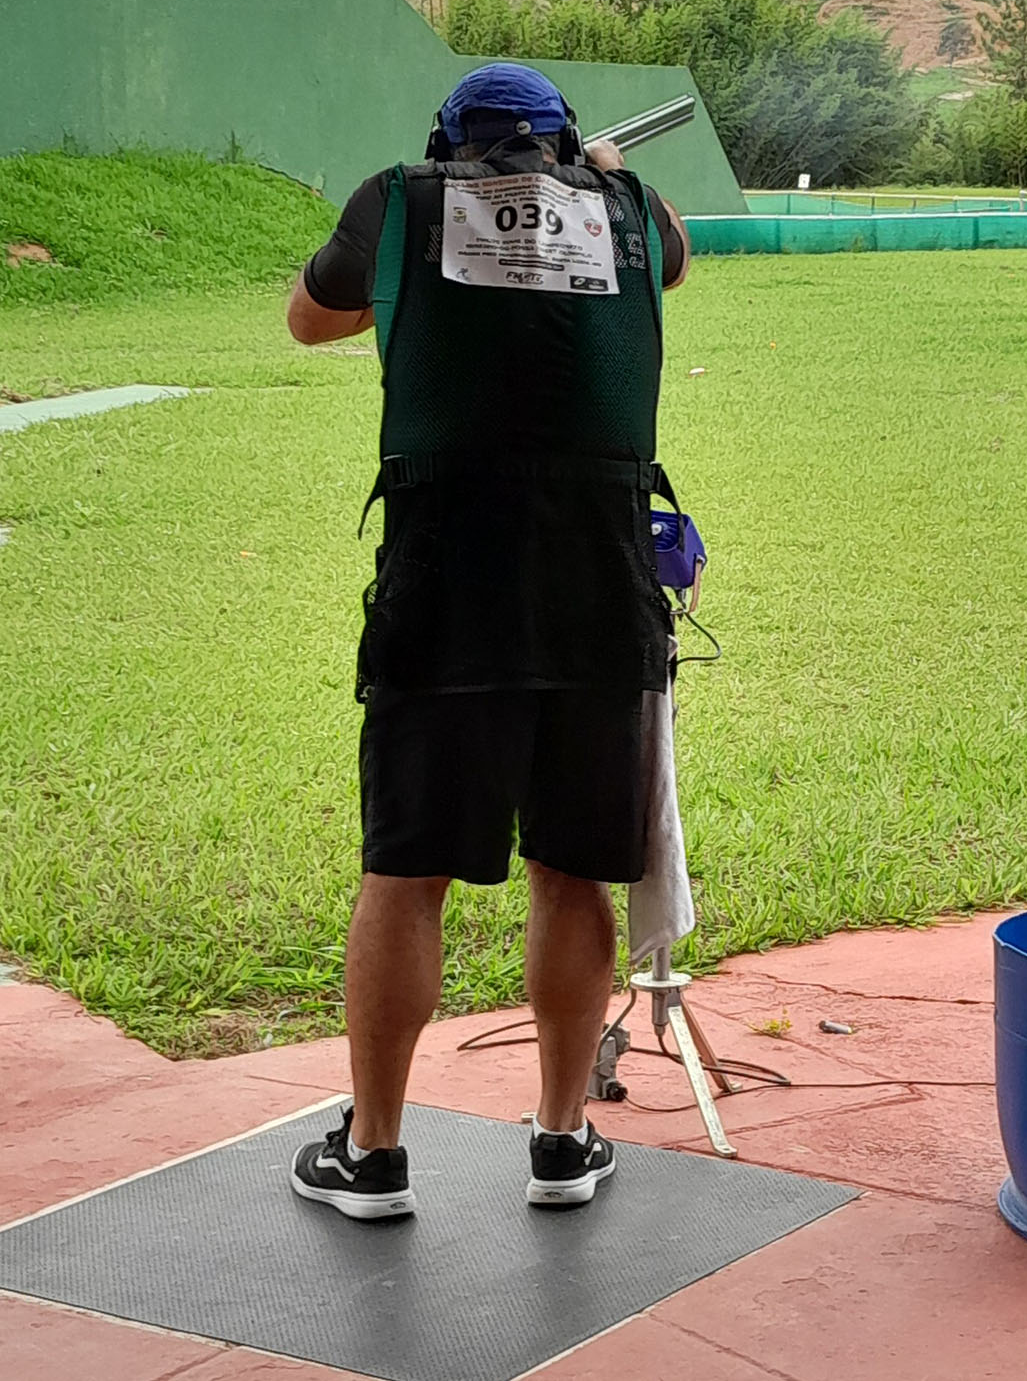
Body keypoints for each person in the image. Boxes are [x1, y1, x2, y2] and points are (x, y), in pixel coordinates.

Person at [285, 63, 690, 1218]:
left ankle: (372, 1155)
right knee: (573, 868)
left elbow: (310, 318)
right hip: (598, 579)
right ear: (565, 142)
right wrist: (598, 174)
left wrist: (412, 291)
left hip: (445, 578)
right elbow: (671, 261)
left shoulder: (395, 201)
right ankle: (560, 1141)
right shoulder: (628, 209)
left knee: (405, 871)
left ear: (444, 141)